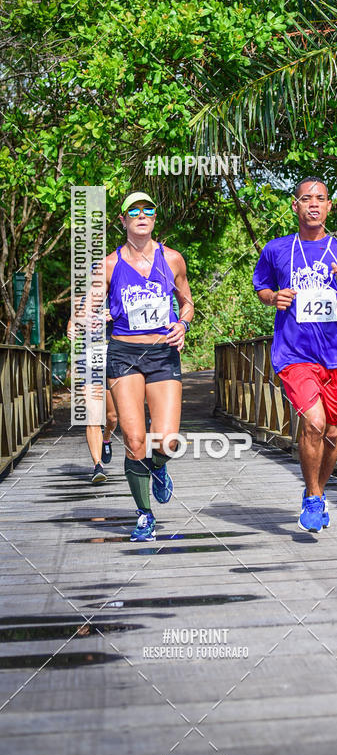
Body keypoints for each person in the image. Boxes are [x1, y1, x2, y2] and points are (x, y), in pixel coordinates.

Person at [253, 177, 337, 533]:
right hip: (293, 353)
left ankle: (315, 491)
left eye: (320, 198)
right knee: (314, 422)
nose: (314, 204)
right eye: (306, 199)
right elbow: (262, 288)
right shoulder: (276, 249)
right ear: (296, 206)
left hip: (334, 355)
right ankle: (314, 496)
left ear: (329, 206)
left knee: (332, 433)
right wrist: (274, 298)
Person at [103, 192, 194, 542]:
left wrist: (183, 324)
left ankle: (158, 468)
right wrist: (88, 315)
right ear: (123, 220)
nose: (141, 215)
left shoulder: (172, 259)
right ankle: (144, 515)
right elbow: (89, 307)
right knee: (135, 440)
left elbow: (187, 302)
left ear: (155, 218)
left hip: (162, 353)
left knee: (167, 441)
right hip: (124, 354)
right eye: (134, 211)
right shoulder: (109, 265)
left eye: (148, 210)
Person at [67, 305, 118, 484]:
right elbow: (72, 322)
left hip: (114, 360)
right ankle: (98, 466)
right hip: (89, 362)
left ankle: (106, 439)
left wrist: (116, 314)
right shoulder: (85, 298)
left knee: (112, 417)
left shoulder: (118, 294)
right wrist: (71, 330)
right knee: (93, 416)